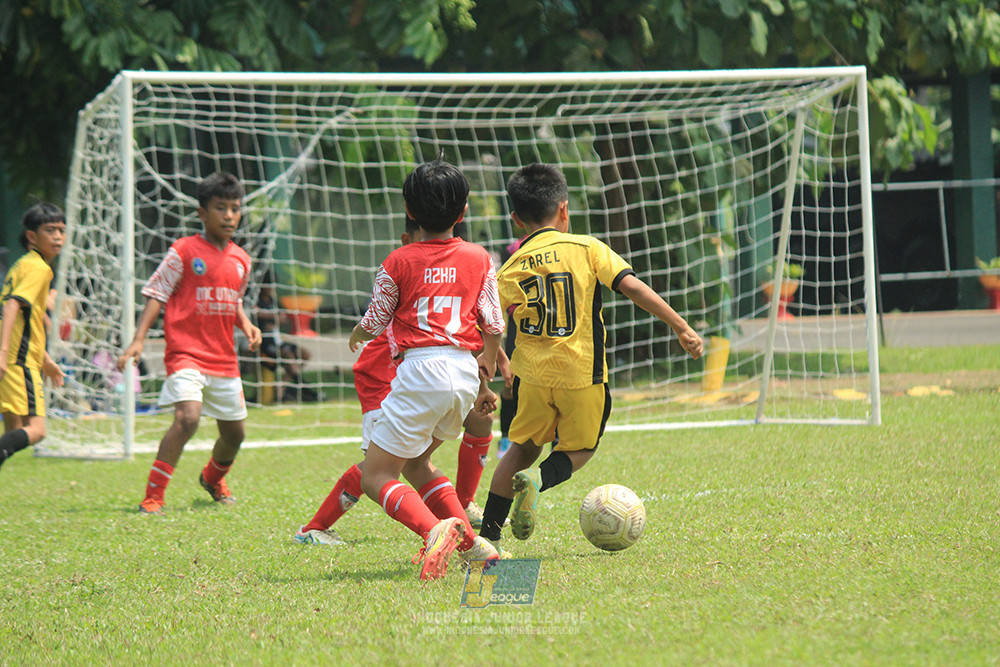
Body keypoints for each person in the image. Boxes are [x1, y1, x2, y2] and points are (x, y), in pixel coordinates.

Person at [477, 163, 704, 551]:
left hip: (531, 376)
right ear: (564, 209)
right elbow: (632, 287)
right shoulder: (587, 248)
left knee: (520, 449)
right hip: (581, 372)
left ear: (515, 220)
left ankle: (487, 538)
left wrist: (494, 363)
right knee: (581, 448)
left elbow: (489, 322)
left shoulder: (510, 268)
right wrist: (681, 326)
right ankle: (537, 480)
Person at [295, 218, 509, 546]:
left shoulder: (447, 273)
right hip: (385, 379)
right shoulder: (407, 275)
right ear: (409, 240)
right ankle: (315, 527)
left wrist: (486, 379)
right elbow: (387, 324)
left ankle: (463, 513)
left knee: (468, 429)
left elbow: (464, 333)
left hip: (429, 380)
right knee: (379, 466)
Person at [348, 158, 506, 580]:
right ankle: (474, 547)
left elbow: (377, 318)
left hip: (420, 371)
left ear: (409, 210)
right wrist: (489, 360)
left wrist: (358, 333)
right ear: (464, 211)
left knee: (375, 475)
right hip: (462, 372)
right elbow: (493, 321)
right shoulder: (479, 257)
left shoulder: (398, 260)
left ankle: (434, 530)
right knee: (417, 462)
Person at [117, 172, 262, 515]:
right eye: (220, 208)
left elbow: (233, 300)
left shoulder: (242, 259)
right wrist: (138, 340)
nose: (229, 215)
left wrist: (245, 323)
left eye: (235, 208)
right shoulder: (183, 251)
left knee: (235, 434)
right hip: (185, 354)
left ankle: (212, 478)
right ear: (202, 213)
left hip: (223, 358)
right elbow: (157, 293)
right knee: (188, 418)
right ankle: (153, 496)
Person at [0, 203, 67, 469]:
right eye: (50, 230)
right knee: (37, 430)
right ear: (31, 236)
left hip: (16, 356)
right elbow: (12, 306)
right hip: (18, 360)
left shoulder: (23, 264)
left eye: (61, 230)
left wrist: (46, 359)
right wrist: (4, 354)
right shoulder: (39, 268)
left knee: (13, 430)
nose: (58, 236)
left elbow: (30, 317)